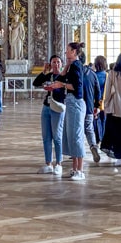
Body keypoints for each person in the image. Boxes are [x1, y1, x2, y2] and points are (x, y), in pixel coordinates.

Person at [51, 42, 87, 181]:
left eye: (67, 50)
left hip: (76, 103)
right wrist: (66, 67)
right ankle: (74, 169)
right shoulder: (72, 66)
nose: (65, 53)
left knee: (77, 136)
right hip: (71, 103)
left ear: (74, 52)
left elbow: (78, 88)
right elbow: (59, 78)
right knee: (71, 136)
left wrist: (62, 84)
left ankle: (80, 171)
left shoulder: (77, 66)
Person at [33, 55, 65, 175]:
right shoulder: (49, 75)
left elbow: (66, 92)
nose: (56, 64)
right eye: (53, 62)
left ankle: (59, 163)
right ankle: (48, 163)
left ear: (61, 64)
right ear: (50, 64)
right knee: (46, 137)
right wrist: (43, 71)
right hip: (46, 107)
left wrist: (55, 88)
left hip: (58, 107)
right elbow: (36, 83)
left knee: (57, 136)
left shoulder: (64, 76)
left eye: (58, 62)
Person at [82, 60, 102, 164]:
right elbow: (98, 91)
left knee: (77, 130)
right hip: (89, 106)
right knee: (89, 128)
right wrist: (96, 106)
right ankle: (93, 146)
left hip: (76, 106)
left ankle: (77, 152)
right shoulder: (93, 74)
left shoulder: (73, 72)